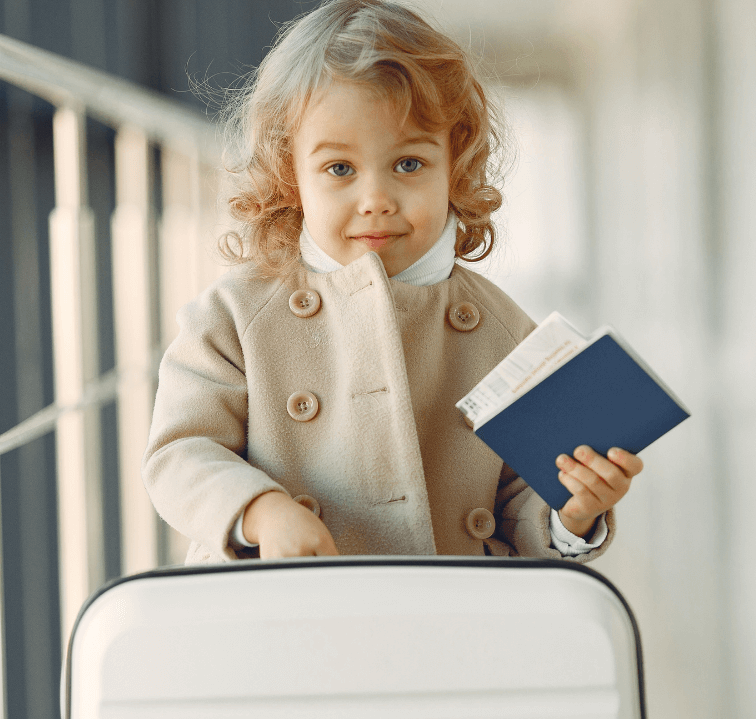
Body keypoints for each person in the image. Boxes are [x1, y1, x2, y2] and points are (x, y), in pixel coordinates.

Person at [143, 0, 643, 564]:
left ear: (453, 165)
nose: (376, 200)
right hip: (281, 612)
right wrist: (261, 511)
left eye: (408, 164)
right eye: (340, 169)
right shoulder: (233, 317)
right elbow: (180, 453)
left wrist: (571, 510)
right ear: (290, 174)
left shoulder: (504, 331)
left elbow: (521, 503)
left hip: (447, 625)